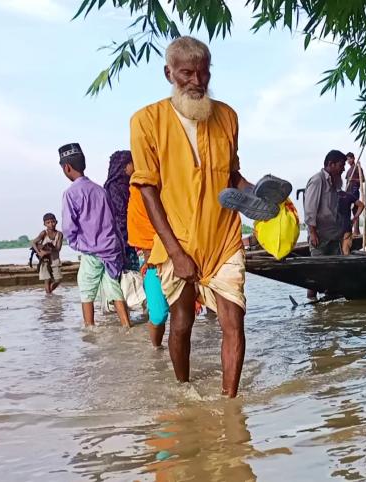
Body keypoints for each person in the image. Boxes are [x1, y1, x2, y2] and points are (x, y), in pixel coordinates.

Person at [130, 37, 254, 396]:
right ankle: (184, 391)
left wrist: (262, 194)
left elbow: (231, 176)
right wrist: (176, 252)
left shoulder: (227, 116)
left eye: (204, 73)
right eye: (187, 73)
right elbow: (147, 189)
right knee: (182, 322)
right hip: (177, 239)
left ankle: (230, 407)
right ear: (169, 73)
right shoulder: (146, 121)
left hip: (223, 236)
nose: (197, 81)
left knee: (234, 321)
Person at [59, 143, 131, 329]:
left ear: (67, 168)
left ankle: (89, 328)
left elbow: (68, 228)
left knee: (87, 290)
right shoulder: (100, 190)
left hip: (91, 250)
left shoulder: (71, 193)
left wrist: (78, 244)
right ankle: (126, 325)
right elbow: (112, 220)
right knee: (114, 288)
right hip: (110, 248)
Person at [127, 175, 170, 348]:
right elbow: (139, 228)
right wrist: (149, 254)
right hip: (151, 260)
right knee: (159, 315)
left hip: (180, 252)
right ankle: (156, 349)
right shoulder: (138, 190)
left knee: (183, 314)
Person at [305, 150, 346, 256]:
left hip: (334, 236)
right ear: (331, 164)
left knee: (336, 266)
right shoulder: (317, 180)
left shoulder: (335, 182)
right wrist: (312, 233)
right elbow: (310, 209)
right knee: (320, 266)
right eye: (341, 166)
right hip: (319, 238)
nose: (343, 169)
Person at [104, 150, 140, 271]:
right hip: (124, 240)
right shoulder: (114, 187)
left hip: (134, 236)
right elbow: (121, 215)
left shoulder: (131, 185)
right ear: (125, 166)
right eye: (132, 163)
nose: (135, 166)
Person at [31, 212, 63, 294]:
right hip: (44, 260)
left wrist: (48, 250)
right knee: (47, 279)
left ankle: (49, 294)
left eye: (53, 222)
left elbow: (58, 248)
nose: (51, 224)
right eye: (48, 222)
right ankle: (49, 296)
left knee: (58, 280)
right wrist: (39, 252)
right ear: (44, 224)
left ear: (56, 222)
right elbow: (33, 242)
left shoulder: (59, 234)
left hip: (55, 259)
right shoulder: (44, 233)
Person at [337, 182, 365, 255]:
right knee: (346, 251)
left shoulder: (330, 197)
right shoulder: (348, 195)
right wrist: (355, 217)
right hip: (347, 227)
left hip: (335, 228)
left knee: (336, 252)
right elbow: (361, 205)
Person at [344, 152, 365, 234]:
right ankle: (352, 230)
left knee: (356, 210)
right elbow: (347, 182)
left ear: (353, 158)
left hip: (354, 191)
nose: (348, 161)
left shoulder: (357, 168)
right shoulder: (349, 171)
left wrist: (353, 180)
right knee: (350, 210)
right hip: (348, 192)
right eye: (347, 160)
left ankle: (356, 231)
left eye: (350, 159)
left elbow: (362, 179)